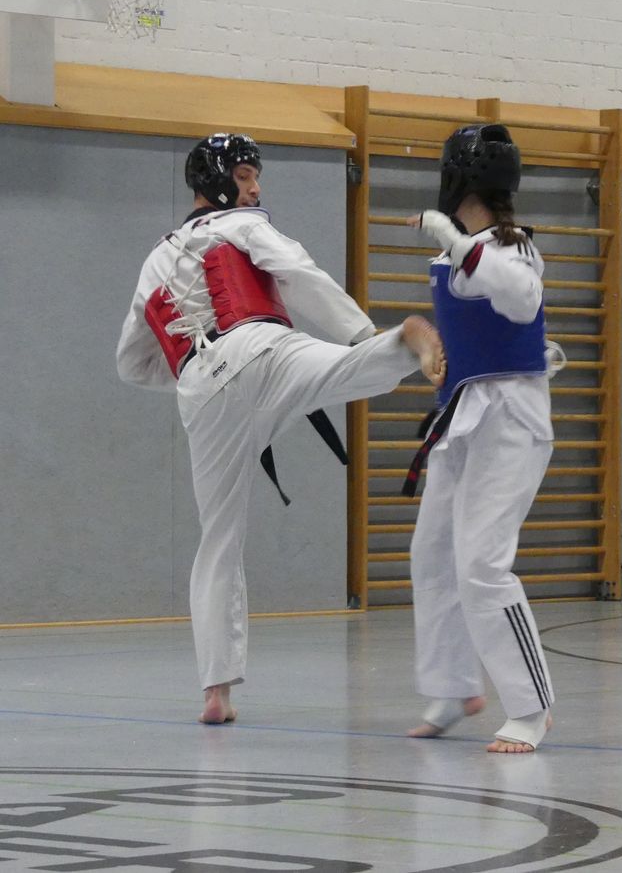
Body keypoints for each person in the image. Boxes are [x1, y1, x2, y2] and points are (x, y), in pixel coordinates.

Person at [116, 132, 445, 725]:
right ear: (217, 180)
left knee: (218, 539)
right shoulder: (239, 225)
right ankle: (398, 342)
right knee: (348, 369)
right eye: (244, 176)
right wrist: (358, 332)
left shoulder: (153, 262)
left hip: (203, 393)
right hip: (260, 348)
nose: (255, 188)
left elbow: (132, 364)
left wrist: (195, 370)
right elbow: (295, 270)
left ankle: (216, 692)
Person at [404, 124, 562, 753]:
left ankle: (531, 707)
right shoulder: (457, 254)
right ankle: (453, 687)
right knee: (432, 553)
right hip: (462, 414)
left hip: (512, 421)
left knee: (482, 565)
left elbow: (522, 301)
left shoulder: (511, 248)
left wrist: (455, 240)